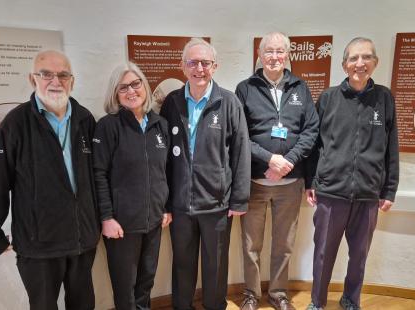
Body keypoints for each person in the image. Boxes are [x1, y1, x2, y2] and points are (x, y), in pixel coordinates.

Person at [0, 50, 99, 310]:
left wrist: (100, 222)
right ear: (32, 79)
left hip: (81, 239)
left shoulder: (85, 119)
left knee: (84, 305)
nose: (55, 81)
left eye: (63, 75)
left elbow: (97, 177)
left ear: (72, 80)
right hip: (38, 245)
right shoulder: (15, 123)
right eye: (46, 74)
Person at [305, 37, 399, 310]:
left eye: (366, 57)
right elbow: (314, 145)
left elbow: (391, 147)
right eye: (354, 58)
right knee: (323, 253)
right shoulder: (328, 98)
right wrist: (311, 181)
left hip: (368, 195)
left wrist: (389, 189)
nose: (360, 63)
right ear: (344, 64)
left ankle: (350, 299)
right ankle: (317, 302)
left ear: (375, 62)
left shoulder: (384, 98)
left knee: (359, 255)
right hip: (330, 193)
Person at [160, 38, 251, 310]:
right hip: (181, 205)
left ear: (215, 66)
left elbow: (241, 151)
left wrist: (239, 200)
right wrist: (165, 201)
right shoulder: (172, 103)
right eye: (192, 62)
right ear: (182, 66)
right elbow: (162, 157)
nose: (199, 68)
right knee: (182, 266)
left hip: (217, 205)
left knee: (216, 267)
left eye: (205, 63)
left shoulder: (229, 102)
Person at [235, 32, 319, 310]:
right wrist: (270, 159)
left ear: (287, 55)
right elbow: (239, 135)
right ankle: (250, 294)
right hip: (254, 182)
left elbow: (311, 131)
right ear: (259, 55)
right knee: (251, 245)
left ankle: (279, 293)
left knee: (283, 244)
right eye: (269, 51)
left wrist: (288, 162)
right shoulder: (245, 88)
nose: (274, 57)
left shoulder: (301, 88)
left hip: (290, 183)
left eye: (280, 51)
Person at [92, 62, 171, 309]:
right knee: (125, 287)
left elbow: (165, 171)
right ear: (115, 94)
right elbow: (98, 174)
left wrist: (166, 207)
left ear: (144, 86)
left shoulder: (160, 125)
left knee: (146, 282)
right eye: (122, 87)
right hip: (121, 225)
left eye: (135, 84)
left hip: (154, 221)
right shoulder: (108, 126)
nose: (131, 91)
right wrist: (106, 217)